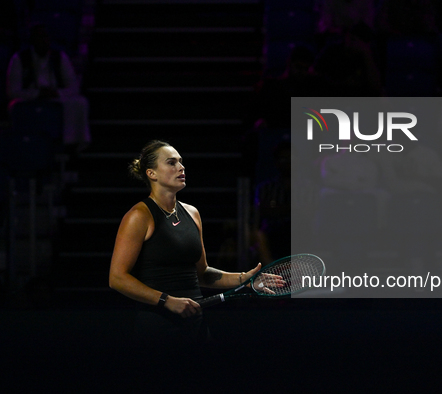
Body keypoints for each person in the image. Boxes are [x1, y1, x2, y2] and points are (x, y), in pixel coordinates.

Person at [109, 140, 279, 348]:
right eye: (171, 162)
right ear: (151, 173)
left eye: (181, 162)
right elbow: (117, 278)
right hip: (157, 328)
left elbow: (202, 274)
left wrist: (245, 279)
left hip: (196, 327)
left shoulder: (192, 213)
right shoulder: (139, 215)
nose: (181, 167)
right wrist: (166, 300)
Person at [6, 23, 91, 151]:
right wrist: (36, 94)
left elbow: (73, 87)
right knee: (14, 105)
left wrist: (56, 93)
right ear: (32, 40)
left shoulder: (60, 57)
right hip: (29, 98)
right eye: (38, 37)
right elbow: (12, 91)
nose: (42, 41)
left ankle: (71, 144)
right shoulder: (19, 59)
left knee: (80, 103)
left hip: (56, 96)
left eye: (44, 37)